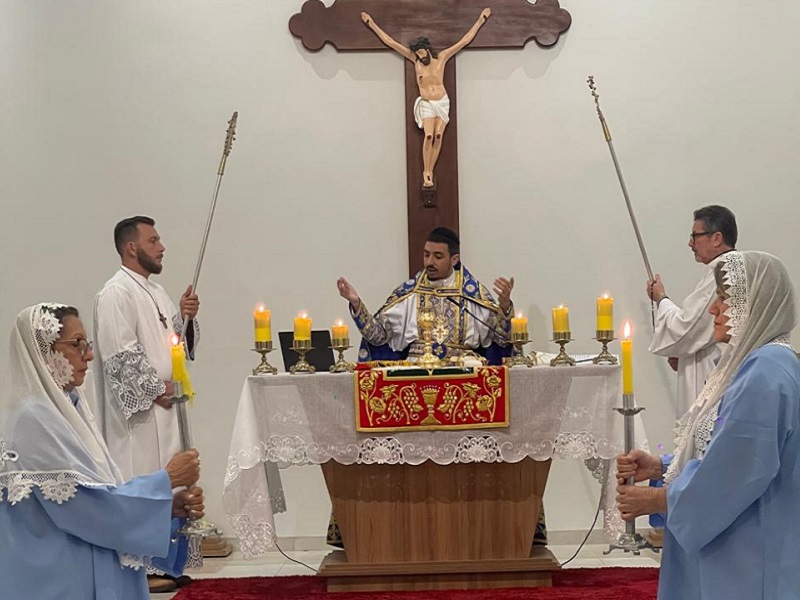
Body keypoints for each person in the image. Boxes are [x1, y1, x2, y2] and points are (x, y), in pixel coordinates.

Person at [617, 251, 800, 600]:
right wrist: (661, 466)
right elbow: (722, 445)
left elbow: (734, 471)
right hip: (735, 539)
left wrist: (658, 498)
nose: (713, 308)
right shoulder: (752, 362)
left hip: (748, 550)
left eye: (724, 297)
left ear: (755, 303)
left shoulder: (766, 371)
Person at [0, 304, 205, 599]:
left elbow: (99, 490)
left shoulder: (69, 407)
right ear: (44, 351)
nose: (89, 355)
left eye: (88, 344)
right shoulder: (34, 417)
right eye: (77, 344)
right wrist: (165, 480)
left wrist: (167, 506)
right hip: (55, 576)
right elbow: (87, 508)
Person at [93, 215, 202, 588]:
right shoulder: (115, 293)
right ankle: (140, 569)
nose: (162, 247)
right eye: (153, 240)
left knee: (173, 482)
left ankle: (166, 565)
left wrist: (185, 320)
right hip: (140, 417)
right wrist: (157, 391)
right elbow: (118, 353)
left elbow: (177, 347)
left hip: (169, 407)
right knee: (145, 477)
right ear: (131, 247)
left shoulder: (156, 292)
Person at [337, 226, 514, 365]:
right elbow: (378, 337)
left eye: (437, 256)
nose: (429, 262)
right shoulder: (410, 293)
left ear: (454, 259)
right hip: (415, 376)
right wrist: (356, 304)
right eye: (426, 255)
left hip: (461, 376)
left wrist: (505, 307)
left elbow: (501, 341)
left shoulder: (472, 294)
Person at [361, 9, 491, 188]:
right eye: (418, 54)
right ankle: (426, 172)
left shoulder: (442, 58)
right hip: (427, 104)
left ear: (427, 49)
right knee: (428, 135)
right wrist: (371, 23)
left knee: (438, 135)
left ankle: (431, 169)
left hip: (442, 102)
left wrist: (480, 20)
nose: (420, 56)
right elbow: (390, 42)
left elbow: (464, 41)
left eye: (422, 52)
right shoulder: (414, 60)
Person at [647, 205, 737, 416]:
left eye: (695, 236)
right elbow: (697, 330)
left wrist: (661, 298)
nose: (690, 243)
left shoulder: (722, 269)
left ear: (716, 238)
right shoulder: (728, 267)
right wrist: (681, 350)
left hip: (714, 371)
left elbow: (686, 327)